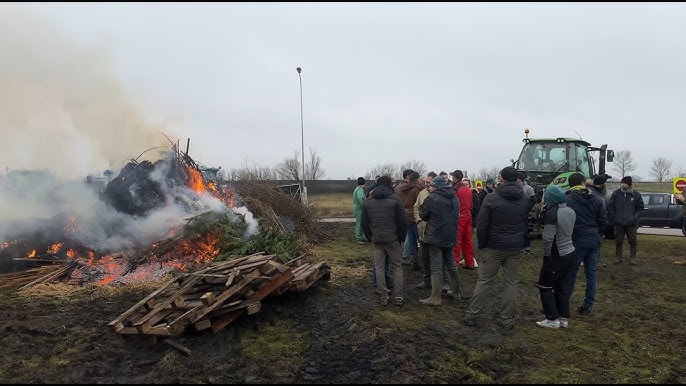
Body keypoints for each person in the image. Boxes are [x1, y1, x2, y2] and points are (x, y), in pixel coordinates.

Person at [464, 166, 534, 329]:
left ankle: (472, 314)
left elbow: (481, 225)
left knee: (485, 280)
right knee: (510, 282)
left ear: (501, 178)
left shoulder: (492, 198)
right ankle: (507, 319)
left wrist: (482, 245)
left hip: (493, 246)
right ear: (517, 179)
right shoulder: (524, 198)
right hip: (515, 246)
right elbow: (524, 221)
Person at [361, 175, 408, 306]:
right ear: (389, 185)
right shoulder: (395, 200)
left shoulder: (368, 201)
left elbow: (364, 223)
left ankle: (383, 295)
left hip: (377, 240)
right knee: (397, 267)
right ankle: (399, 296)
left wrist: (370, 237)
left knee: (379, 267)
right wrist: (401, 238)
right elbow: (402, 222)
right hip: (393, 239)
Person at [565, 172, 607, 316]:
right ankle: (588, 304)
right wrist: (598, 234)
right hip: (593, 240)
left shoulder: (568, 199)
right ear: (583, 182)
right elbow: (603, 220)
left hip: (577, 239)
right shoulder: (596, 198)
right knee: (591, 273)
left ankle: (564, 303)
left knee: (571, 273)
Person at [537, 186, 576, 329]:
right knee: (562, 286)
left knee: (545, 285)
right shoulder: (570, 210)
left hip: (557, 253)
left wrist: (546, 255)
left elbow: (548, 237)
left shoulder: (552, 213)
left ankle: (551, 319)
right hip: (570, 252)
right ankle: (563, 317)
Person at [418, 175, 461, 305]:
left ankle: (435, 297)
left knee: (436, 266)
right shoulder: (454, 197)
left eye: (431, 186)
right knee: (451, 264)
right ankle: (456, 292)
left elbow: (423, 215)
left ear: (435, 187)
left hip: (436, 236)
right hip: (450, 235)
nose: (429, 188)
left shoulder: (432, 198)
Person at [607, 176, 644, 265]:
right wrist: (614, 217)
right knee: (618, 241)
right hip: (618, 222)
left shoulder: (636, 195)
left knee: (633, 241)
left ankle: (633, 258)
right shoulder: (616, 194)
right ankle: (618, 257)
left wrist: (635, 216)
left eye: (624, 183)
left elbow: (640, 208)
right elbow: (610, 206)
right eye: (621, 183)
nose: (622, 184)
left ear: (629, 184)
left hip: (631, 223)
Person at [452, 170, 477, 269]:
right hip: (468, 216)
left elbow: (454, 204)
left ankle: (455, 263)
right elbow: (471, 204)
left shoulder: (456, 189)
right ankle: (469, 262)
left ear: (454, 178)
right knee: (468, 241)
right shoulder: (467, 189)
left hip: (459, 217)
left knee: (457, 241)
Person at [399, 171, 423, 270]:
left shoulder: (404, 189)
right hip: (414, 217)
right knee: (420, 240)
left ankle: (413, 262)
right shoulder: (417, 190)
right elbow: (419, 204)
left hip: (406, 217)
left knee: (412, 240)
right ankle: (420, 262)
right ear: (417, 179)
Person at [518, 171, 535, 255]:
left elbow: (533, 201)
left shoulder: (529, 189)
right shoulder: (515, 187)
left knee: (524, 229)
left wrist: (527, 210)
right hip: (516, 212)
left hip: (523, 212)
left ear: (520, 179)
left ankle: (526, 247)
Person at [353, 177, 367, 245]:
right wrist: (364, 206)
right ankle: (359, 237)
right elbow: (360, 198)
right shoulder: (360, 190)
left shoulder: (357, 189)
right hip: (359, 208)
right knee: (360, 223)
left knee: (359, 222)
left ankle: (360, 236)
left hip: (357, 207)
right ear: (364, 183)